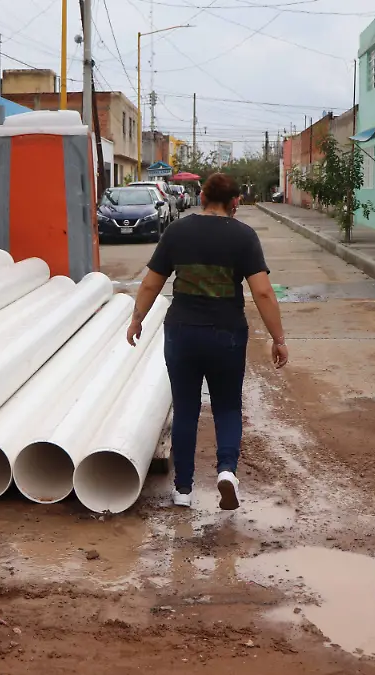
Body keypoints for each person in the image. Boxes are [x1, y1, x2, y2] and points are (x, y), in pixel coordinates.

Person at [126, 173, 288, 511]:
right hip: (226, 333)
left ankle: (183, 489)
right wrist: (278, 338)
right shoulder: (244, 236)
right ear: (235, 202)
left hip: (182, 332)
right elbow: (262, 291)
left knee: (185, 408)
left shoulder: (177, 231)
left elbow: (150, 284)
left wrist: (137, 318)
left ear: (201, 198)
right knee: (227, 406)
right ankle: (227, 471)